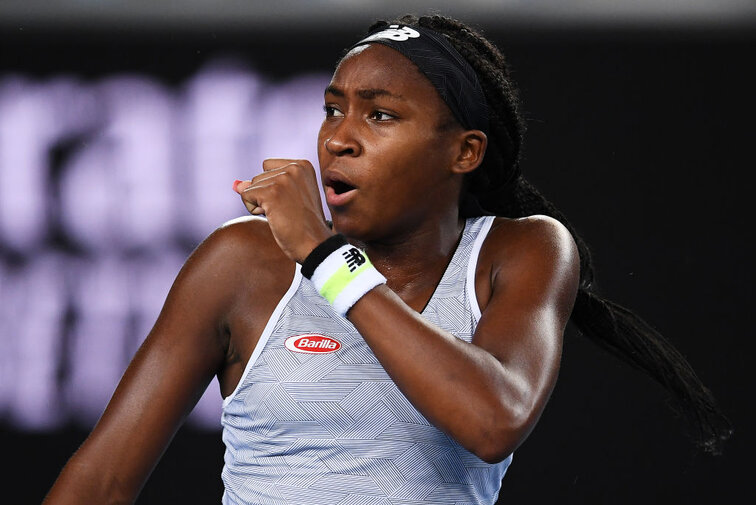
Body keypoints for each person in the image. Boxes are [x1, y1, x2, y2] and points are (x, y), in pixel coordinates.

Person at [42, 14, 731, 505]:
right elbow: (99, 483)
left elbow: (492, 419)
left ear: (465, 151)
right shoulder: (241, 262)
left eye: (379, 116)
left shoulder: (522, 251)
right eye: (332, 108)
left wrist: (325, 257)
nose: (338, 138)